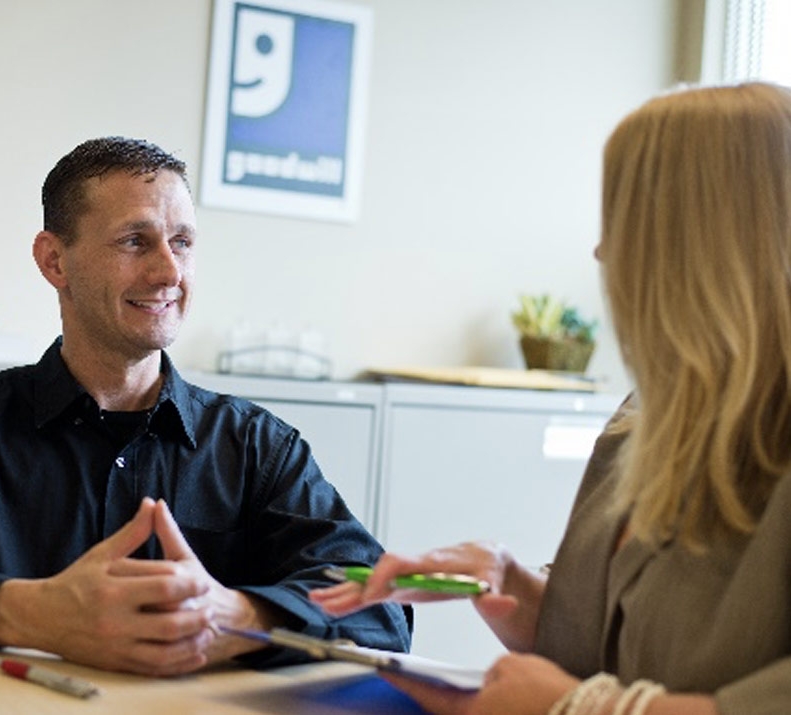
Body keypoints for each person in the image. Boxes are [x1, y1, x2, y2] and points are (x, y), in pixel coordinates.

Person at [312, 81, 791, 714]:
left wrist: (589, 708)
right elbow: (607, 655)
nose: (601, 249)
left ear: (706, 239)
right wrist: (516, 589)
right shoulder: (643, 419)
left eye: (624, 217)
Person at [0, 136, 410, 676]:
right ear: (54, 261)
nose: (169, 272)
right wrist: (32, 614)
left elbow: (383, 604)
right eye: (134, 241)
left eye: (183, 242)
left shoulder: (257, 448)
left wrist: (236, 616)